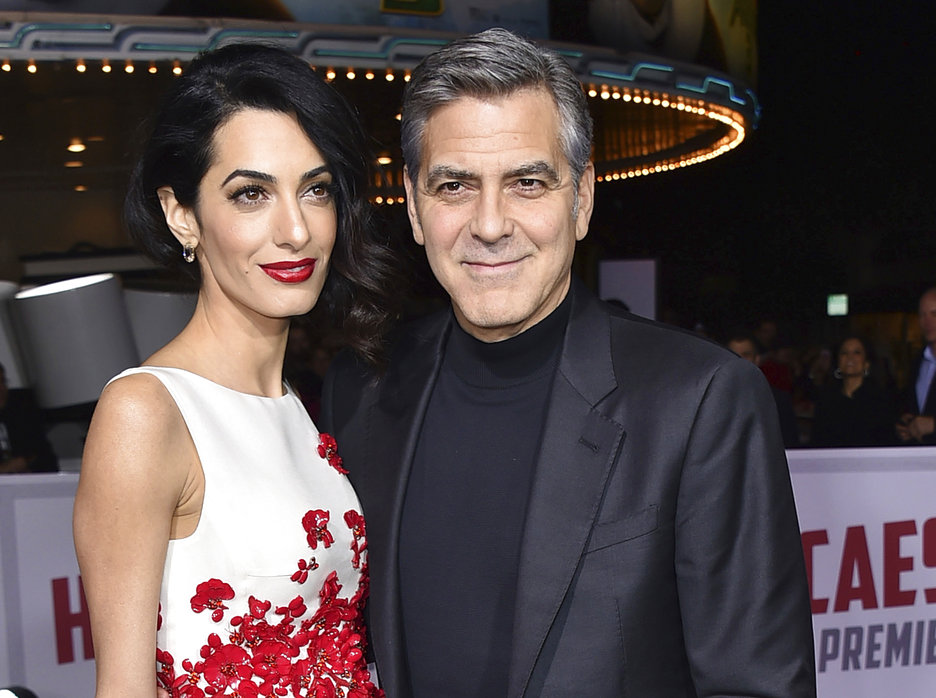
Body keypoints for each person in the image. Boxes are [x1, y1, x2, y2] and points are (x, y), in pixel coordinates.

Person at [322, 28, 815, 696]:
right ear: (413, 206)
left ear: (580, 198)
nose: (490, 224)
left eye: (527, 183)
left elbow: (754, 685)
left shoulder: (701, 401)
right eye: (455, 186)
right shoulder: (362, 387)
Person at [73, 43, 396, 697]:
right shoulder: (146, 413)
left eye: (315, 190)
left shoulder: (302, 406)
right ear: (181, 215)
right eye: (251, 194)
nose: (296, 230)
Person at [0, 355, 58, 474]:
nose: (1, 388)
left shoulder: (22, 417)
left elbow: (47, 458)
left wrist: (28, 466)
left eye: (3, 381)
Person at [811, 336, 896, 447]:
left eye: (857, 353)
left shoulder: (880, 400)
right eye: (844, 353)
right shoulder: (826, 400)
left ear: (867, 363)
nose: (850, 357)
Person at [726, 333, 801, 448]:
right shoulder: (713, 401)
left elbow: (790, 444)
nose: (739, 360)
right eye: (733, 355)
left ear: (757, 359)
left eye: (746, 355)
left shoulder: (778, 400)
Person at [897, 287, 936, 444]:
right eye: (922, 315)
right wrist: (906, 425)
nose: (927, 322)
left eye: (934, 314)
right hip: (920, 455)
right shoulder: (917, 362)